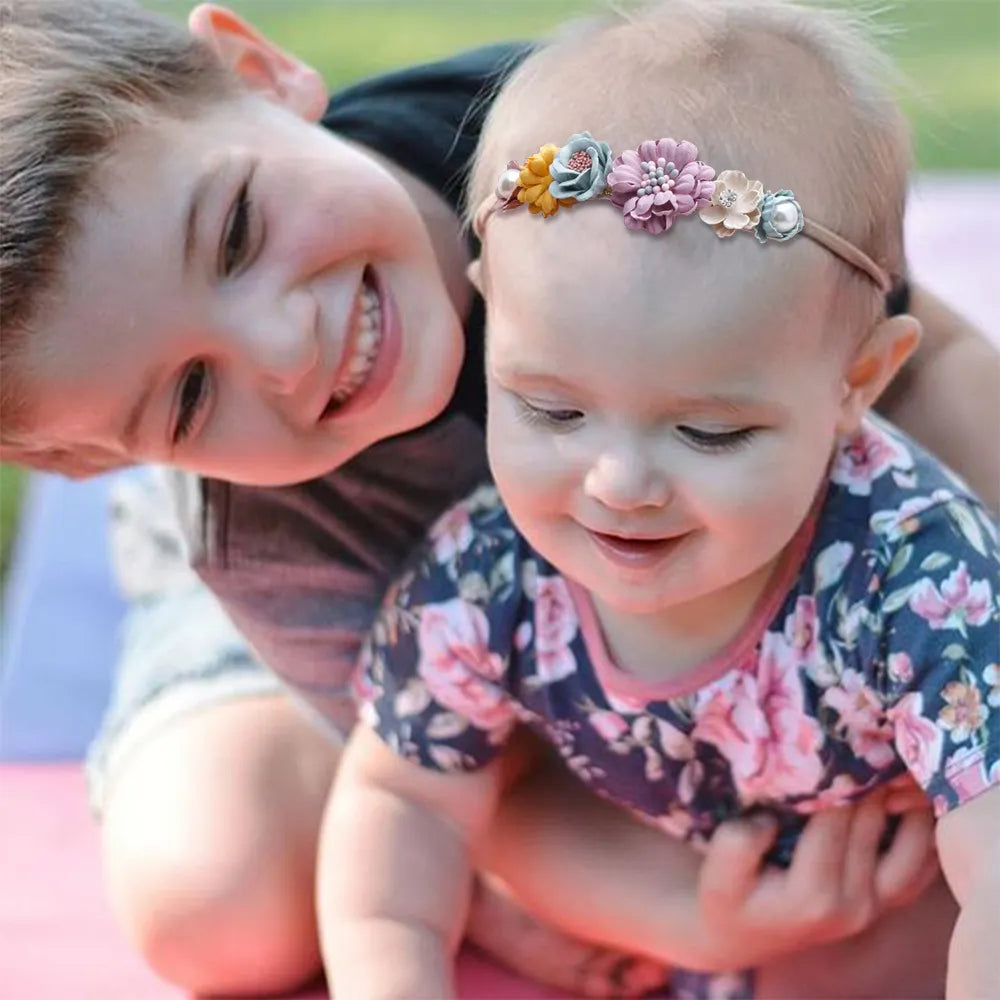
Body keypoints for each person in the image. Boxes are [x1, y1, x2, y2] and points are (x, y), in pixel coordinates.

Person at [0, 0, 994, 995]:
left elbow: (916, 347)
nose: (283, 348)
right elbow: (447, 766)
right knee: (216, 898)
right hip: (370, 598)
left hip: (638, 595)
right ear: (99, 456)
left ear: (259, 73)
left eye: (235, 234)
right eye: (189, 393)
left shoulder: (595, 145)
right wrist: (682, 912)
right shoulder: (262, 534)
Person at [323, 1, 1000, 997]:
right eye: (549, 410)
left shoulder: (917, 569)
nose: (618, 485)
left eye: (709, 431)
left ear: (855, 381)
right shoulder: (486, 575)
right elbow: (404, 806)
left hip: (918, 919)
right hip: (707, 937)